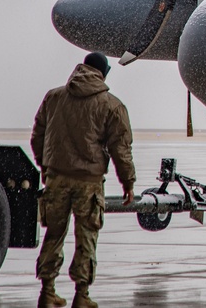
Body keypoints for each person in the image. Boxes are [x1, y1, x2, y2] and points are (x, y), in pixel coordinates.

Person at [31, 52, 136, 308]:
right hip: (89, 183)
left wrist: (45, 166)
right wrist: (128, 183)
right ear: (103, 72)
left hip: (56, 178)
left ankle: (47, 292)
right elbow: (120, 149)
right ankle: (82, 295)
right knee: (86, 237)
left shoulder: (54, 97)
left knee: (53, 235)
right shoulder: (112, 105)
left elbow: (38, 135)